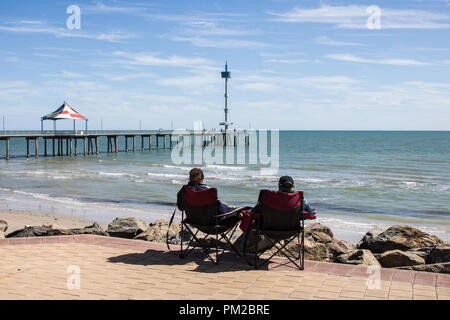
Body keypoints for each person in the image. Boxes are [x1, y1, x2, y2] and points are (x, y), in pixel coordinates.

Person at [177, 168, 241, 226]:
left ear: (190, 177)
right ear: (203, 178)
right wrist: (231, 209)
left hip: (192, 220)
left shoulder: (185, 190)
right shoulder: (208, 191)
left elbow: (181, 208)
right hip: (211, 223)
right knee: (238, 213)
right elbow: (221, 210)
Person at [251, 176, 316, 218]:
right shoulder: (300, 200)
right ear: (293, 187)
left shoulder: (268, 198)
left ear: (279, 187)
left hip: (269, 229)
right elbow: (311, 215)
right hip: (292, 230)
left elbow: (252, 213)